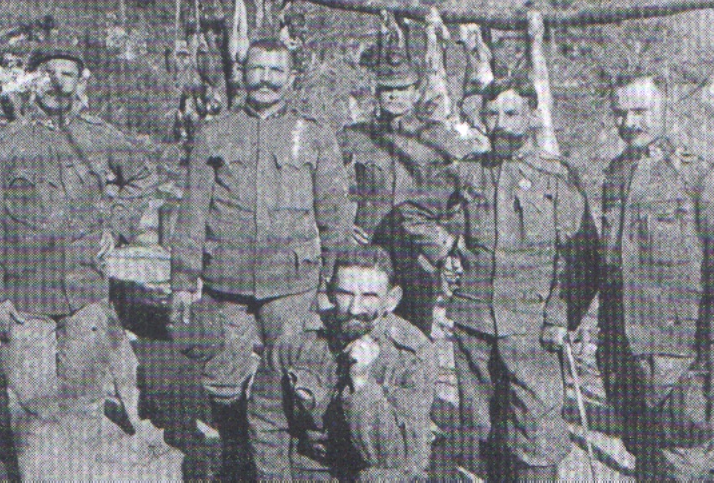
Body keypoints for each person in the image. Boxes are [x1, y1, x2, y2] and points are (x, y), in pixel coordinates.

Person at [0, 40, 165, 477]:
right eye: (48, 73)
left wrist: (117, 226)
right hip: (24, 296)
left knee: (84, 400)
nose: (58, 83)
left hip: (85, 291)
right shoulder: (3, 144)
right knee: (33, 407)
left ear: (80, 82)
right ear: (32, 81)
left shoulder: (99, 136)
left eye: (68, 74)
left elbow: (142, 176)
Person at [170, 37, 350, 479]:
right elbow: (192, 212)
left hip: (291, 284)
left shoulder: (313, 134)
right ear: (242, 73)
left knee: (292, 377)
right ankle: (236, 457)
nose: (265, 79)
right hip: (226, 281)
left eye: (275, 70)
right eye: (257, 69)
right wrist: (183, 281)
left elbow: (334, 214)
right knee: (223, 379)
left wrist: (334, 284)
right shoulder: (214, 132)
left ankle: (285, 462)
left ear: (291, 78)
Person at [582, 74, 714, 480]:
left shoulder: (701, 172)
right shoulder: (616, 174)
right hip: (623, 349)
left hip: (680, 350)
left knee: (685, 457)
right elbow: (611, 266)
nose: (629, 123)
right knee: (644, 453)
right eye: (620, 113)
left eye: (641, 111)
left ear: (665, 107)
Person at [444, 74, 597, 482]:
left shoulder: (556, 176)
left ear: (531, 116)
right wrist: (445, 247)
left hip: (533, 327)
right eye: (491, 115)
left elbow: (584, 256)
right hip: (474, 321)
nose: (500, 125)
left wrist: (560, 317)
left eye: (511, 114)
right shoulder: (467, 171)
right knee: (484, 427)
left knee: (537, 429)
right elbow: (415, 212)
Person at [250, 245, 436, 481]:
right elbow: (267, 422)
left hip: (374, 470)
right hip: (311, 469)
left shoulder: (412, 354)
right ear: (329, 291)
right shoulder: (295, 339)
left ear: (391, 300)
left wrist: (362, 384)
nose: (355, 308)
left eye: (369, 296)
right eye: (345, 294)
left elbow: (395, 457)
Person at [339, 51, 470, 335]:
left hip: (417, 254)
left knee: (414, 333)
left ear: (416, 92)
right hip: (371, 249)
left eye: (402, 89)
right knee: (361, 328)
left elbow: (466, 189)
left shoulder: (438, 138)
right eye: (387, 89)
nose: (394, 96)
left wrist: (445, 237)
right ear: (376, 92)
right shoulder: (357, 136)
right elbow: (325, 184)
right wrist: (343, 221)